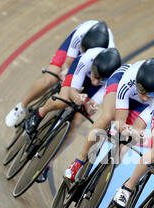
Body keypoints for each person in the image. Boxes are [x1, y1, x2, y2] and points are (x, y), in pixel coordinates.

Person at [63, 57, 154, 182]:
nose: (145, 98)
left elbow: (143, 120)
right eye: (143, 92)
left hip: (142, 107)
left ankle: (101, 178)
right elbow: (119, 122)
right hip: (119, 84)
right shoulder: (130, 78)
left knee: (129, 141)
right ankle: (78, 161)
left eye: (150, 95)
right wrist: (123, 126)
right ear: (138, 84)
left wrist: (134, 132)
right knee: (108, 118)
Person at [25, 47, 122, 182]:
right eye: (95, 75)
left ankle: (48, 164)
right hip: (79, 73)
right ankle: (39, 113)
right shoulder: (88, 59)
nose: (95, 81)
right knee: (64, 100)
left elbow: (94, 105)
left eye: (100, 79)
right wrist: (75, 96)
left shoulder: (113, 81)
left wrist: (90, 106)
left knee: (77, 121)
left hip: (96, 90)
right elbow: (72, 90)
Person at [5, 20, 115, 127]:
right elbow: (68, 62)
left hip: (93, 63)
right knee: (50, 79)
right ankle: (21, 106)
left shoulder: (106, 57)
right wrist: (65, 70)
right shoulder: (80, 35)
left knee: (78, 116)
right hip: (78, 48)